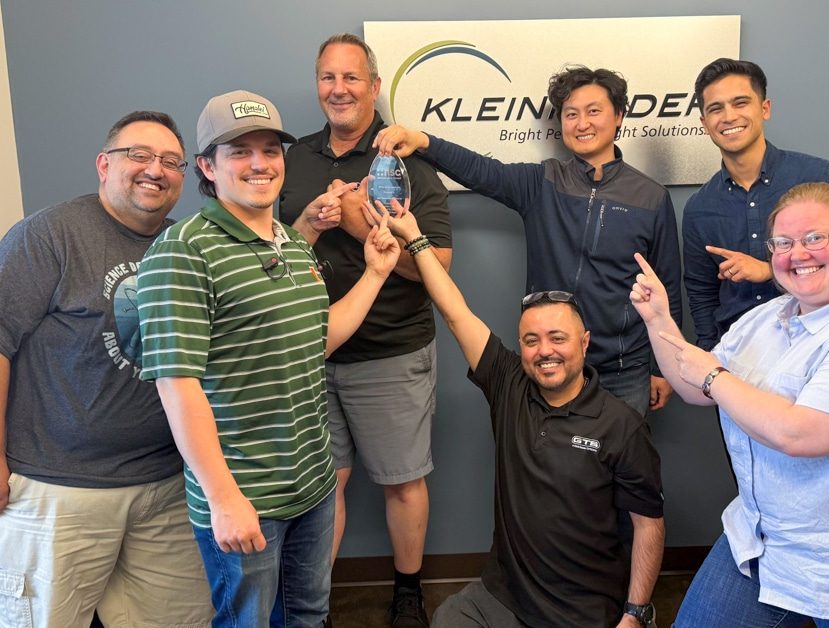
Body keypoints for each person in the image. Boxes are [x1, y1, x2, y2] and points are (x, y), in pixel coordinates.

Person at [631, 182, 829, 626]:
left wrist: (714, 375)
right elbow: (694, 388)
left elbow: (798, 433)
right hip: (768, 537)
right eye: (782, 243)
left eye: (815, 238)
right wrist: (659, 319)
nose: (797, 253)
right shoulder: (768, 318)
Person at [137, 90, 400, 627]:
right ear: (208, 166)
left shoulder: (293, 243)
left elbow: (317, 340)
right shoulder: (182, 251)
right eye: (239, 151)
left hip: (314, 486)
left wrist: (375, 273)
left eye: (270, 149)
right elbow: (177, 385)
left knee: (307, 614)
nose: (259, 163)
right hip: (246, 496)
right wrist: (223, 497)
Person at [366, 198, 664, 628]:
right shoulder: (508, 384)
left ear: (584, 343)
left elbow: (648, 525)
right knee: (449, 620)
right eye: (531, 340)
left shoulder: (621, 424)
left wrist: (635, 615)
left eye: (558, 338)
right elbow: (454, 311)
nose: (545, 351)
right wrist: (414, 238)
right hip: (503, 596)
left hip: (583, 608)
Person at [0, 111, 213, 627]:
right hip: (59, 490)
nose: (154, 170)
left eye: (169, 161)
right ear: (104, 164)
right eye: (138, 155)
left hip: (165, 488)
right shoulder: (49, 235)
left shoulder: (185, 244)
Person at [374, 65, 682, 417]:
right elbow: (480, 171)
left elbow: (667, 287)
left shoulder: (651, 197)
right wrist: (424, 142)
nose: (582, 123)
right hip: (550, 365)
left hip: (624, 371)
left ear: (619, 117)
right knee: (550, 470)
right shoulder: (542, 183)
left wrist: (662, 367)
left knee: (624, 470)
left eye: (594, 111)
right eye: (571, 114)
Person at [278, 33, 452, 626]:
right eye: (328, 77)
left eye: (352, 78)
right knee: (322, 488)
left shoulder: (404, 163)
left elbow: (437, 268)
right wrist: (308, 222)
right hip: (307, 354)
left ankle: (408, 593)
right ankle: (314, 605)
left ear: (375, 87)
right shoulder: (291, 161)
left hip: (391, 351)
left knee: (403, 483)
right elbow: (269, 254)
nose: (339, 89)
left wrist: (357, 226)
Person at [683, 58, 829, 350]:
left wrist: (770, 270)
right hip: (740, 356)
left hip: (822, 346)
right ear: (704, 123)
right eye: (716, 109)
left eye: (740, 103)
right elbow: (701, 293)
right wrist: (711, 356)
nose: (728, 117)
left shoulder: (820, 177)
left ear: (764, 108)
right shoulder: (699, 208)